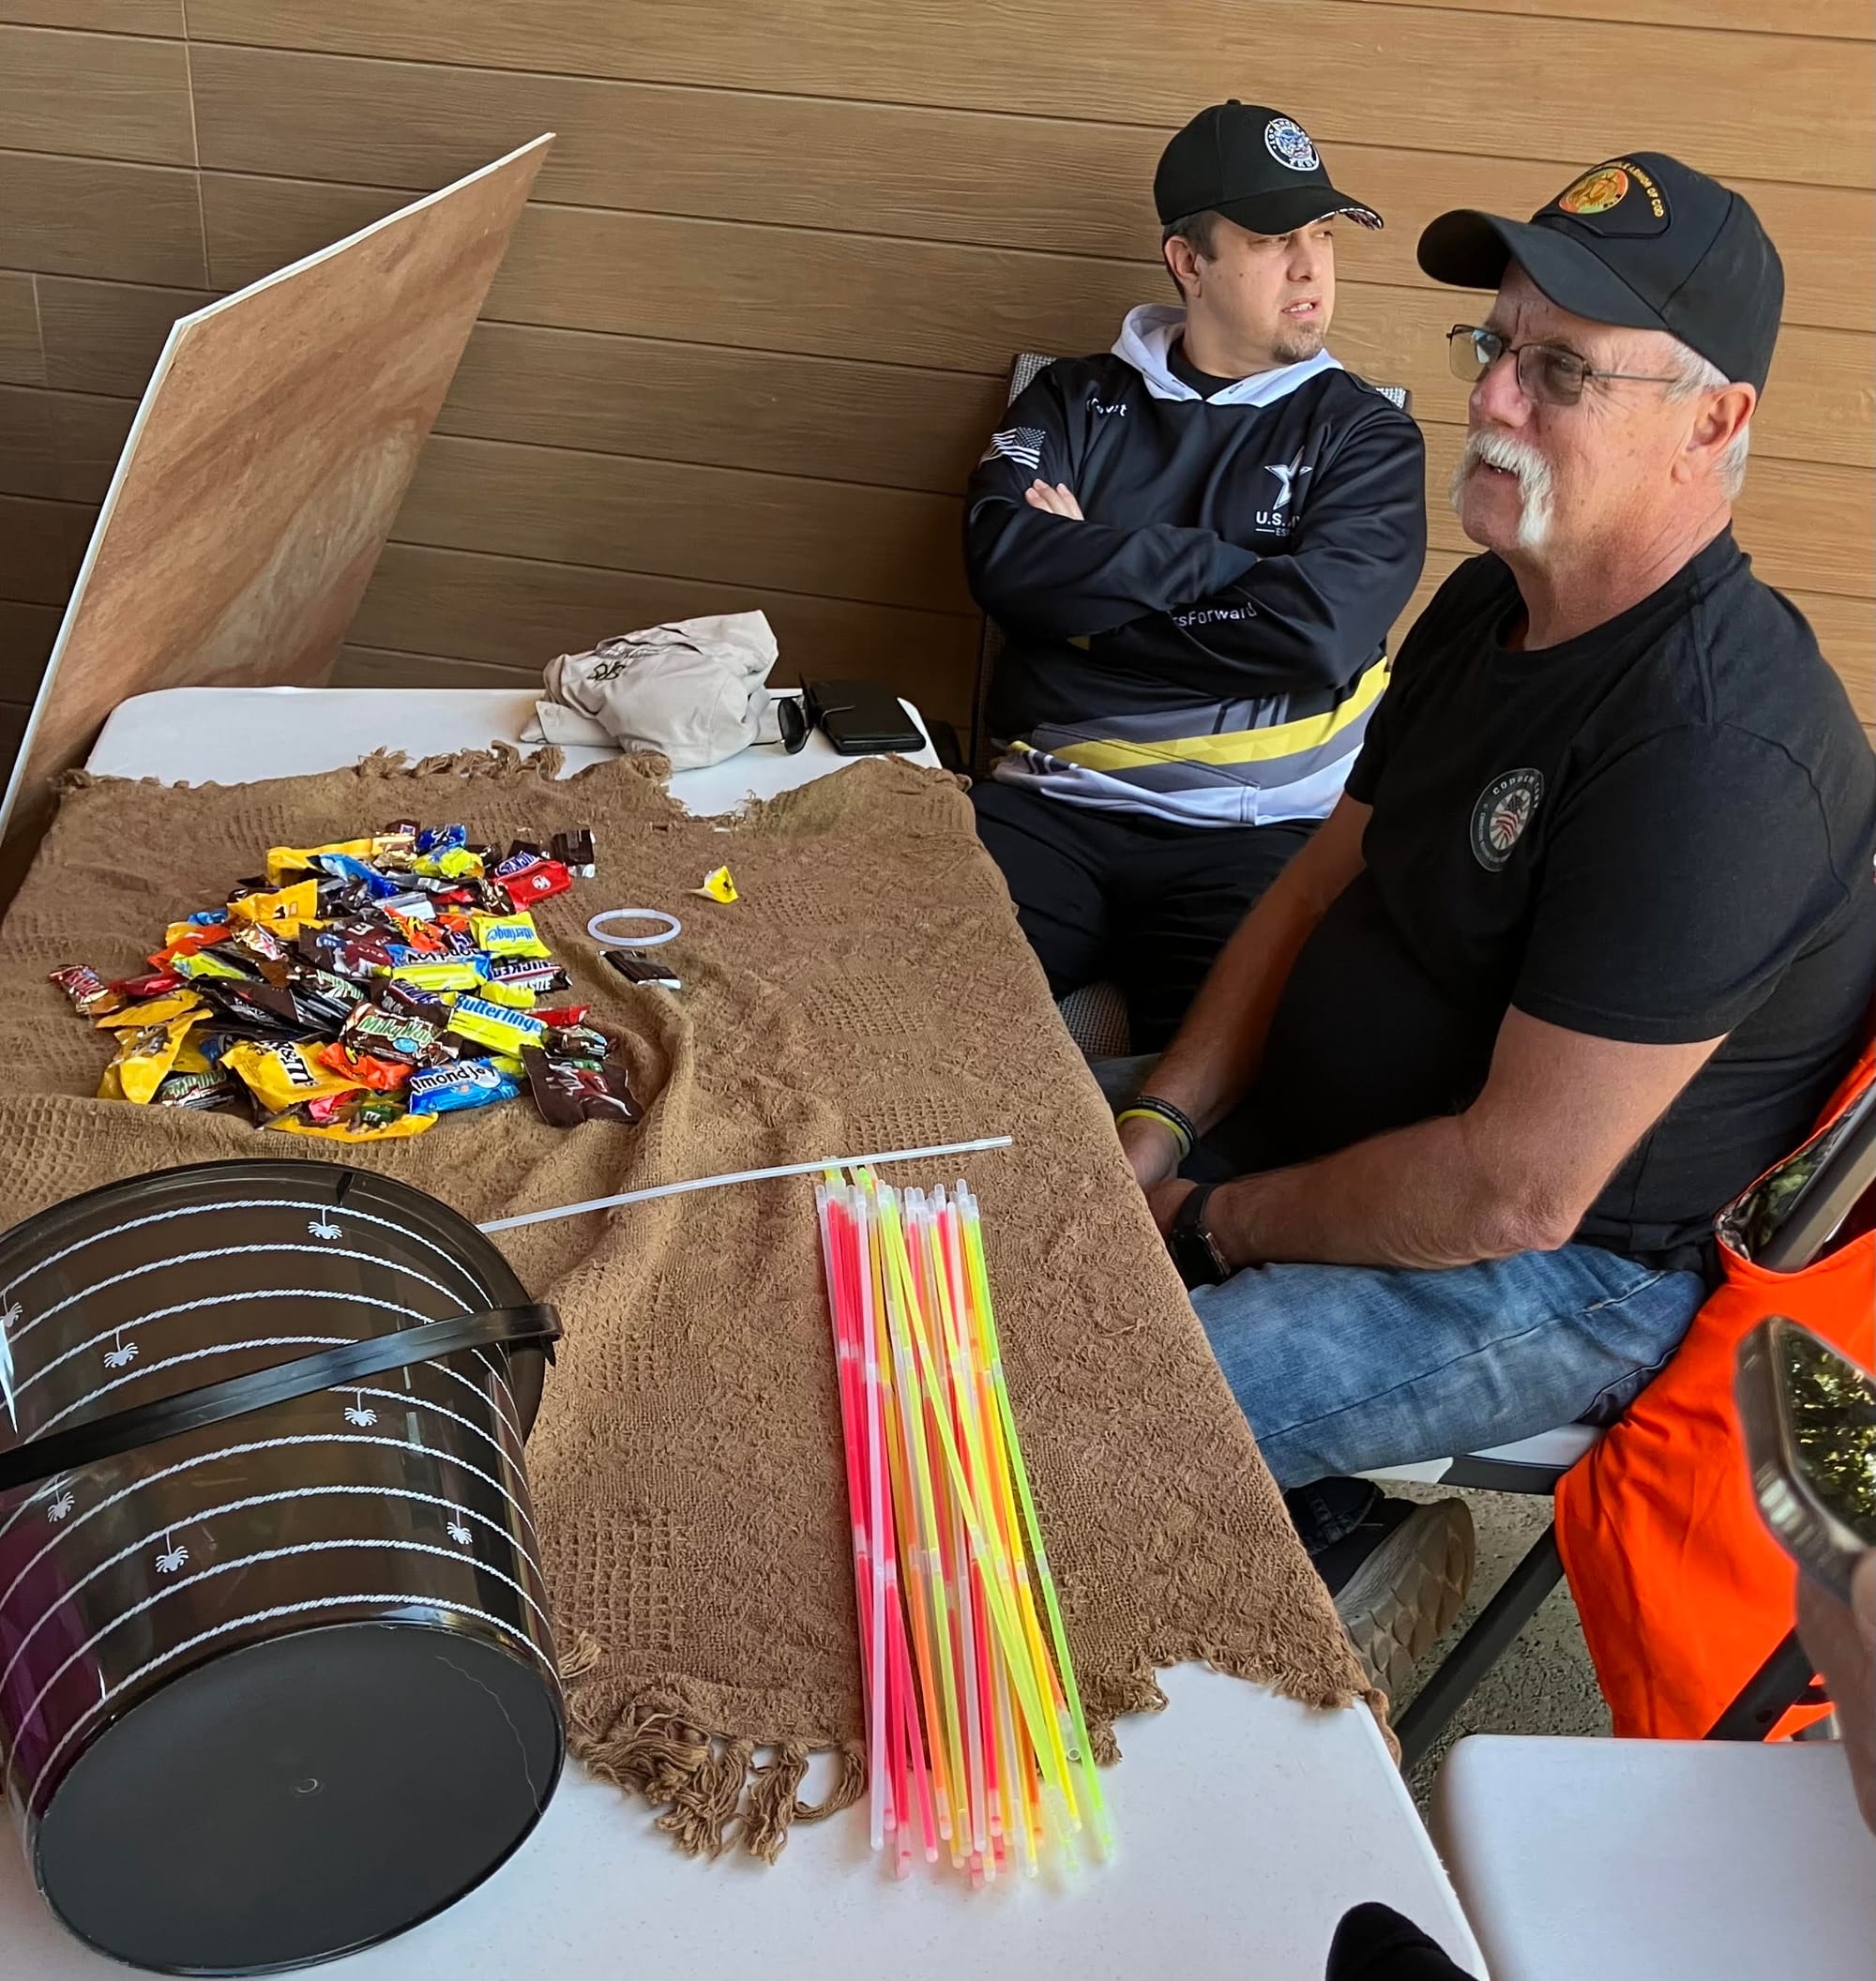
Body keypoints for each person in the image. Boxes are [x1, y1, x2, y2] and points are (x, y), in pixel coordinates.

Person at [1113, 152, 1876, 1686]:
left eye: (1564, 371)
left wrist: (1203, 1223)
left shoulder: (1719, 749)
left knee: (1085, 1402)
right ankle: (1320, 1522)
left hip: (1569, 1271)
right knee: (977, 1197)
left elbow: (1517, 1195)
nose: (1494, 397)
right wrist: (1161, 1123)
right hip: (1342, 1148)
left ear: (1714, 423)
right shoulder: (1492, 599)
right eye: (1497, 344)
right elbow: (1318, 881)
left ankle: (1306, 1561)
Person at [965, 101, 1426, 1051]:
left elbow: (1318, 634)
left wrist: (1091, 596)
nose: (1310, 267)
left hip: (1258, 834)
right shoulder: (1070, 399)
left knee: (1233, 1082)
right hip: (1049, 804)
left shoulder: (1367, 437)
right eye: (1271, 239)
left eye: (1322, 235)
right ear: (1189, 262)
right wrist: (1229, 569)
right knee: (900, 1025)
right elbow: (1002, 561)